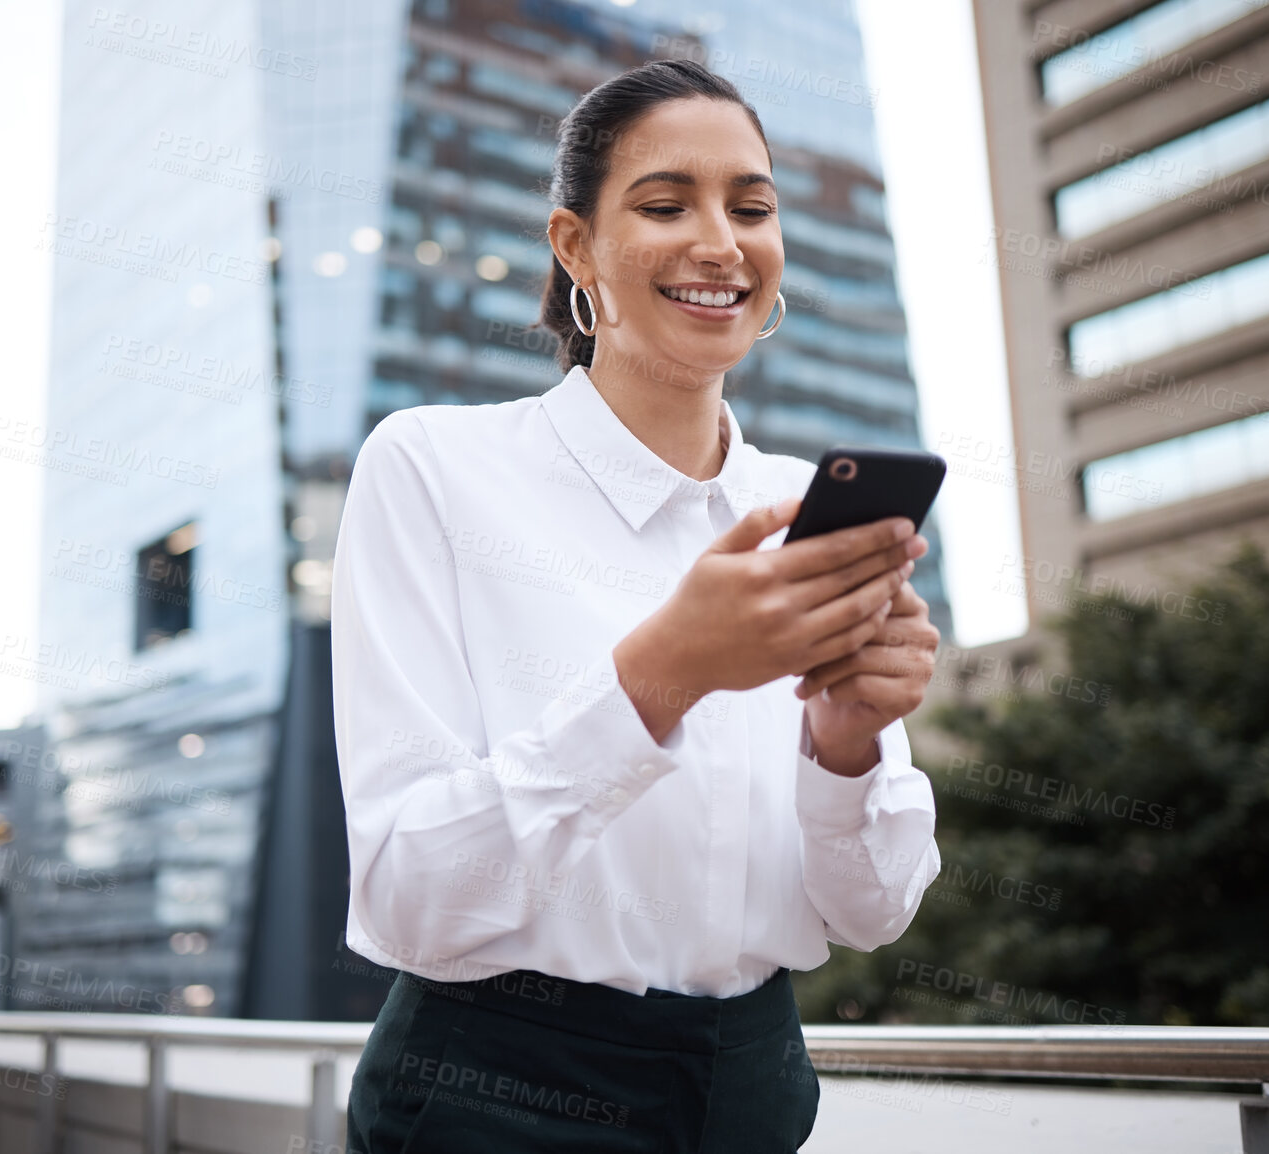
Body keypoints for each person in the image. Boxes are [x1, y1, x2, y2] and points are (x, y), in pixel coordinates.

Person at [333, 57, 941, 1154]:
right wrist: (663, 670)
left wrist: (846, 747)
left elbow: (871, 910)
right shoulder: (432, 466)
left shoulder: (803, 508)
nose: (720, 240)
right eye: (666, 204)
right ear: (576, 247)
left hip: (754, 1088)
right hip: (493, 1090)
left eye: (750, 206)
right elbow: (407, 897)